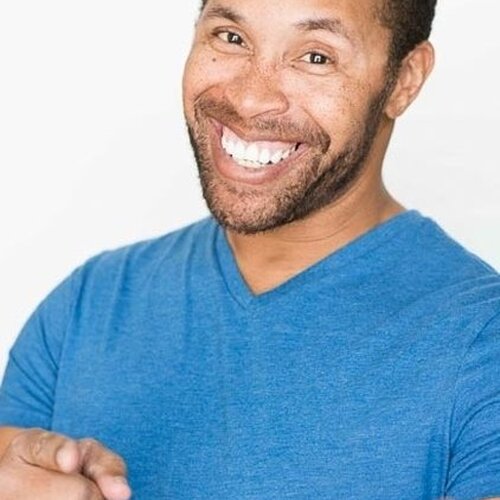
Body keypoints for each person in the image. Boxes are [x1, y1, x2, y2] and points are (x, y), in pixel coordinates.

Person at [0, 0, 499, 498]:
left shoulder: (483, 344)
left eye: (316, 57)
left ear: (404, 80)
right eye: (231, 37)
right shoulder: (88, 305)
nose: (250, 99)